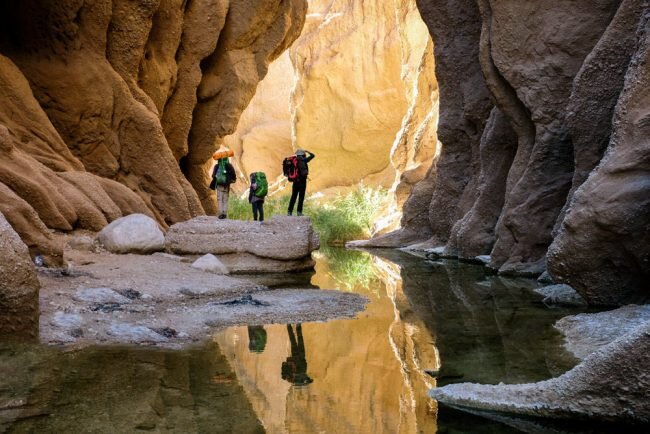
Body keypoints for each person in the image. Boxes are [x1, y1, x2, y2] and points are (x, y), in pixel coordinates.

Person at [287, 149, 315, 216]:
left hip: (295, 181)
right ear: (303, 154)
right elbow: (313, 155)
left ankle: (289, 211)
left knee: (293, 196)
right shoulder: (304, 160)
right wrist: (307, 151)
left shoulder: (293, 161)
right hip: (302, 181)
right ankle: (299, 212)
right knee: (301, 197)